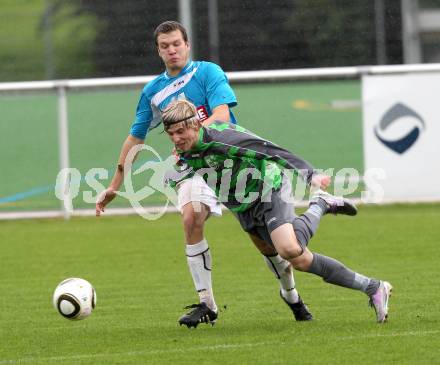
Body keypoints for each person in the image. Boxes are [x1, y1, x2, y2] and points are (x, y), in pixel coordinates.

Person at [95, 21, 313, 326]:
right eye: (164, 46)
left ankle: (291, 295)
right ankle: (207, 304)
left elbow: (222, 115)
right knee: (191, 217)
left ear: (187, 45)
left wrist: (194, 141)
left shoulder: (207, 72)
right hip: (192, 168)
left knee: (266, 245)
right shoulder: (153, 92)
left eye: (176, 44)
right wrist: (115, 185)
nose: (171, 50)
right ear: (158, 51)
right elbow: (135, 137)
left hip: (228, 163)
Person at [162, 99, 393, 327]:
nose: (176, 138)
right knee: (301, 260)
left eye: (180, 131)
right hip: (242, 206)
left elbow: (270, 150)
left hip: (269, 188)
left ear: (195, 125)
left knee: (289, 249)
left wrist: (309, 174)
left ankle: (320, 203)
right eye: (170, 134)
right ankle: (373, 287)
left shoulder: (223, 139)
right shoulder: (184, 151)